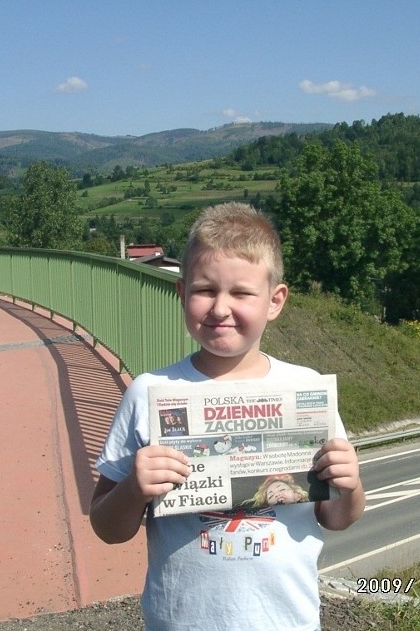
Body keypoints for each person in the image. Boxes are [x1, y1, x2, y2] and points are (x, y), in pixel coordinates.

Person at [90, 202, 365, 631]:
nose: (220, 308)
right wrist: (134, 487)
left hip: (287, 622)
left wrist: (349, 483)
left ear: (275, 301)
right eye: (204, 289)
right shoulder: (148, 393)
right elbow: (107, 527)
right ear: (181, 295)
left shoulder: (304, 390)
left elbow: (338, 518)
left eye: (241, 293)